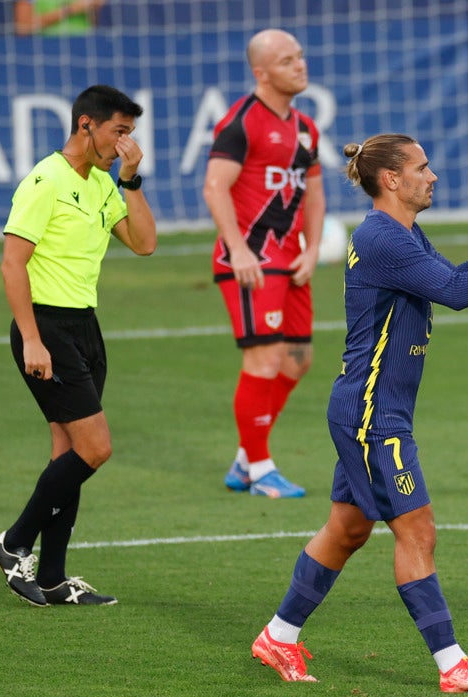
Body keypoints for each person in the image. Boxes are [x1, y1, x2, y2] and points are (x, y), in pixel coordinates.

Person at [249, 133, 468, 691]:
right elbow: (456, 295)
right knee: (417, 529)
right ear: (391, 179)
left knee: (346, 529)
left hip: (370, 407)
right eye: (422, 167)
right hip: (373, 414)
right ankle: (452, 665)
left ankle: (279, 635)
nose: (432, 175)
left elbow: (453, 279)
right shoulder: (382, 237)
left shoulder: (402, 233)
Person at [0, 84, 156, 607]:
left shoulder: (105, 184)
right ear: (87, 125)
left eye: (130, 133)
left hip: (85, 328)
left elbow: (145, 243)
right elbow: (12, 263)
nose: (126, 142)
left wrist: (131, 180)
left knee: (69, 453)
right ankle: (13, 543)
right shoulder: (45, 180)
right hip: (46, 330)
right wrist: (33, 341)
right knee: (95, 448)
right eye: (119, 131)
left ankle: (55, 579)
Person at [203, 29, 326, 499]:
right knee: (265, 357)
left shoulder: (306, 128)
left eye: (300, 55)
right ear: (261, 72)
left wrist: (312, 249)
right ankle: (259, 466)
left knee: (297, 360)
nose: (300, 65)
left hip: (291, 259)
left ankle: (244, 458)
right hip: (251, 259)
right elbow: (215, 187)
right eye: (287, 60)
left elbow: (314, 195)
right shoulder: (241, 122)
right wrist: (237, 249)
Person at [14, 0, 104, 35]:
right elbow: (23, 27)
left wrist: (95, 6)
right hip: (47, 49)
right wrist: (71, 10)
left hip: (83, 46)